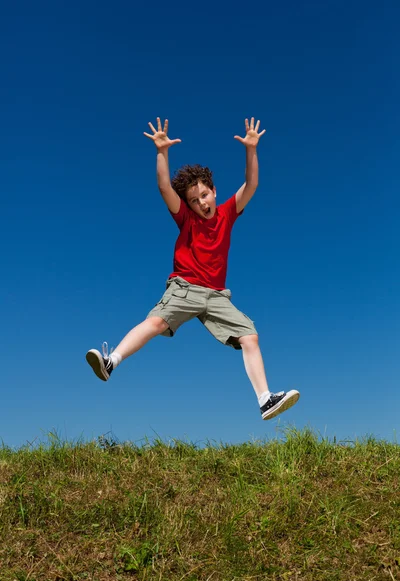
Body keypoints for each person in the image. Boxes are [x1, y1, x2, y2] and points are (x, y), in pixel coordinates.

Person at [86, 117, 300, 420]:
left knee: (249, 336)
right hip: (185, 287)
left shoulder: (228, 213)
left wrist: (251, 149)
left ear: (213, 191)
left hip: (216, 296)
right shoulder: (186, 218)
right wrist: (162, 151)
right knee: (158, 323)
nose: (201, 203)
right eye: (194, 200)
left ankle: (265, 399)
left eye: (204, 195)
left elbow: (251, 184)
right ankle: (111, 361)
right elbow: (163, 187)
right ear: (188, 205)